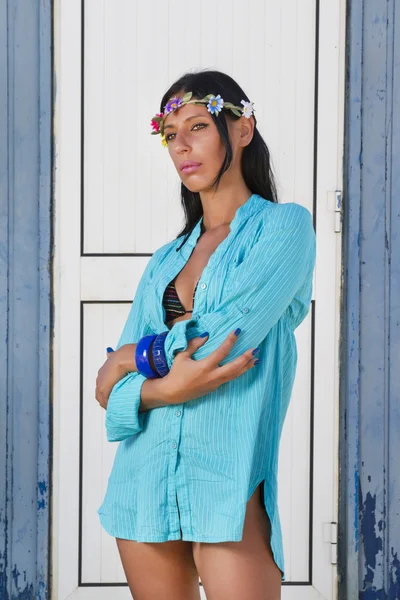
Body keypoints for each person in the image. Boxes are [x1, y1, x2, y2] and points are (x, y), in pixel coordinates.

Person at [95, 69, 316, 600]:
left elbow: (225, 343)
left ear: (241, 130)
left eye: (197, 126)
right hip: (142, 485)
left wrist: (132, 357)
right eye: (171, 135)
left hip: (229, 485)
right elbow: (107, 393)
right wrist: (163, 384)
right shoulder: (165, 261)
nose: (181, 147)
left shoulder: (285, 229)